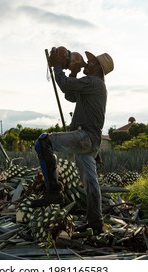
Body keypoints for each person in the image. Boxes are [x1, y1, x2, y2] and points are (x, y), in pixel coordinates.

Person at [30, 47, 114, 234]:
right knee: (91, 184)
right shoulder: (92, 85)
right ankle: (96, 223)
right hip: (90, 141)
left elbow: (65, 85)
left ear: (98, 68)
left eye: (91, 62)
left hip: (84, 137)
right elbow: (70, 95)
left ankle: (53, 191)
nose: (87, 62)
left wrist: (58, 67)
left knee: (43, 142)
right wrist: (74, 72)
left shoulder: (93, 82)